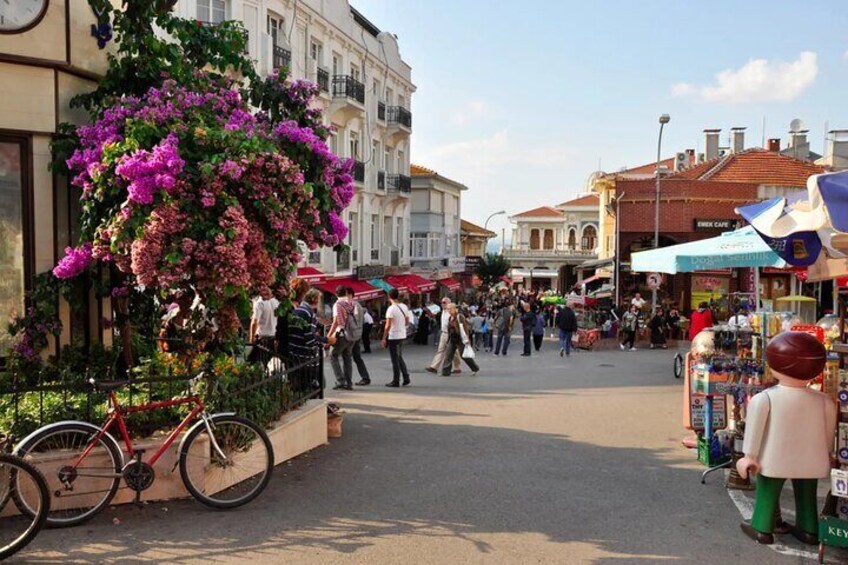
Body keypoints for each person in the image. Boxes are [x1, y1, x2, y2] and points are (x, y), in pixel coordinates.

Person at [737, 332, 835, 546]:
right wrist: (829, 454)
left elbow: (754, 432)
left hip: (774, 460)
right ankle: (809, 529)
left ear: (774, 365)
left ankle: (761, 528)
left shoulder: (765, 399)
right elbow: (829, 435)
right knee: (806, 495)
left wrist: (749, 456)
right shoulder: (824, 401)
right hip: (812, 461)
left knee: (767, 492)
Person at [327, 285, 355, 391]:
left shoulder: (338, 304)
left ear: (336, 293)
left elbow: (336, 322)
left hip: (342, 334)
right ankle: (349, 383)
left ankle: (341, 381)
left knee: (333, 355)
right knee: (347, 357)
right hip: (352, 334)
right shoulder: (351, 303)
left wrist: (329, 335)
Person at [383, 288, 412, 387]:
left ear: (389, 297)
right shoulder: (404, 306)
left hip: (393, 336)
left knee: (395, 359)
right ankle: (406, 377)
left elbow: (387, 325)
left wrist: (384, 338)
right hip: (402, 334)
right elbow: (407, 321)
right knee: (399, 357)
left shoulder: (391, 309)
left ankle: (396, 380)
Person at [441, 304, 480, 376]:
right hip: (452, 338)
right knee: (448, 354)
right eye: (448, 309)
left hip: (460, 338)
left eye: (450, 309)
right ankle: (445, 372)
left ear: (454, 308)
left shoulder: (460, 316)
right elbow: (449, 329)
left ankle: (475, 368)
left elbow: (465, 328)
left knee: (463, 355)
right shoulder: (450, 317)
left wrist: (467, 338)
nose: (448, 311)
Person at [426, 298, 462, 374]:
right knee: (440, 350)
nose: (442, 304)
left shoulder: (452, 312)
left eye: (444, 302)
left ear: (449, 303)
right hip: (443, 333)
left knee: (454, 352)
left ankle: (457, 367)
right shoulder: (443, 311)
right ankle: (434, 367)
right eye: (442, 302)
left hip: (451, 334)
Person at [344, 287, 370, 386]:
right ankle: (364, 377)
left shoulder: (354, 305)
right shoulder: (356, 305)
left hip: (353, 334)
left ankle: (361, 378)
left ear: (349, 294)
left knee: (352, 356)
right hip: (356, 333)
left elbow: (353, 321)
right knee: (355, 356)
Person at [249, 287, 280, 363]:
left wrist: (251, 339)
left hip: (263, 339)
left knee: (259, 363)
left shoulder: (260, 302)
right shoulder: (276, 301)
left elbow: (254, 321)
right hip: (274, 338)